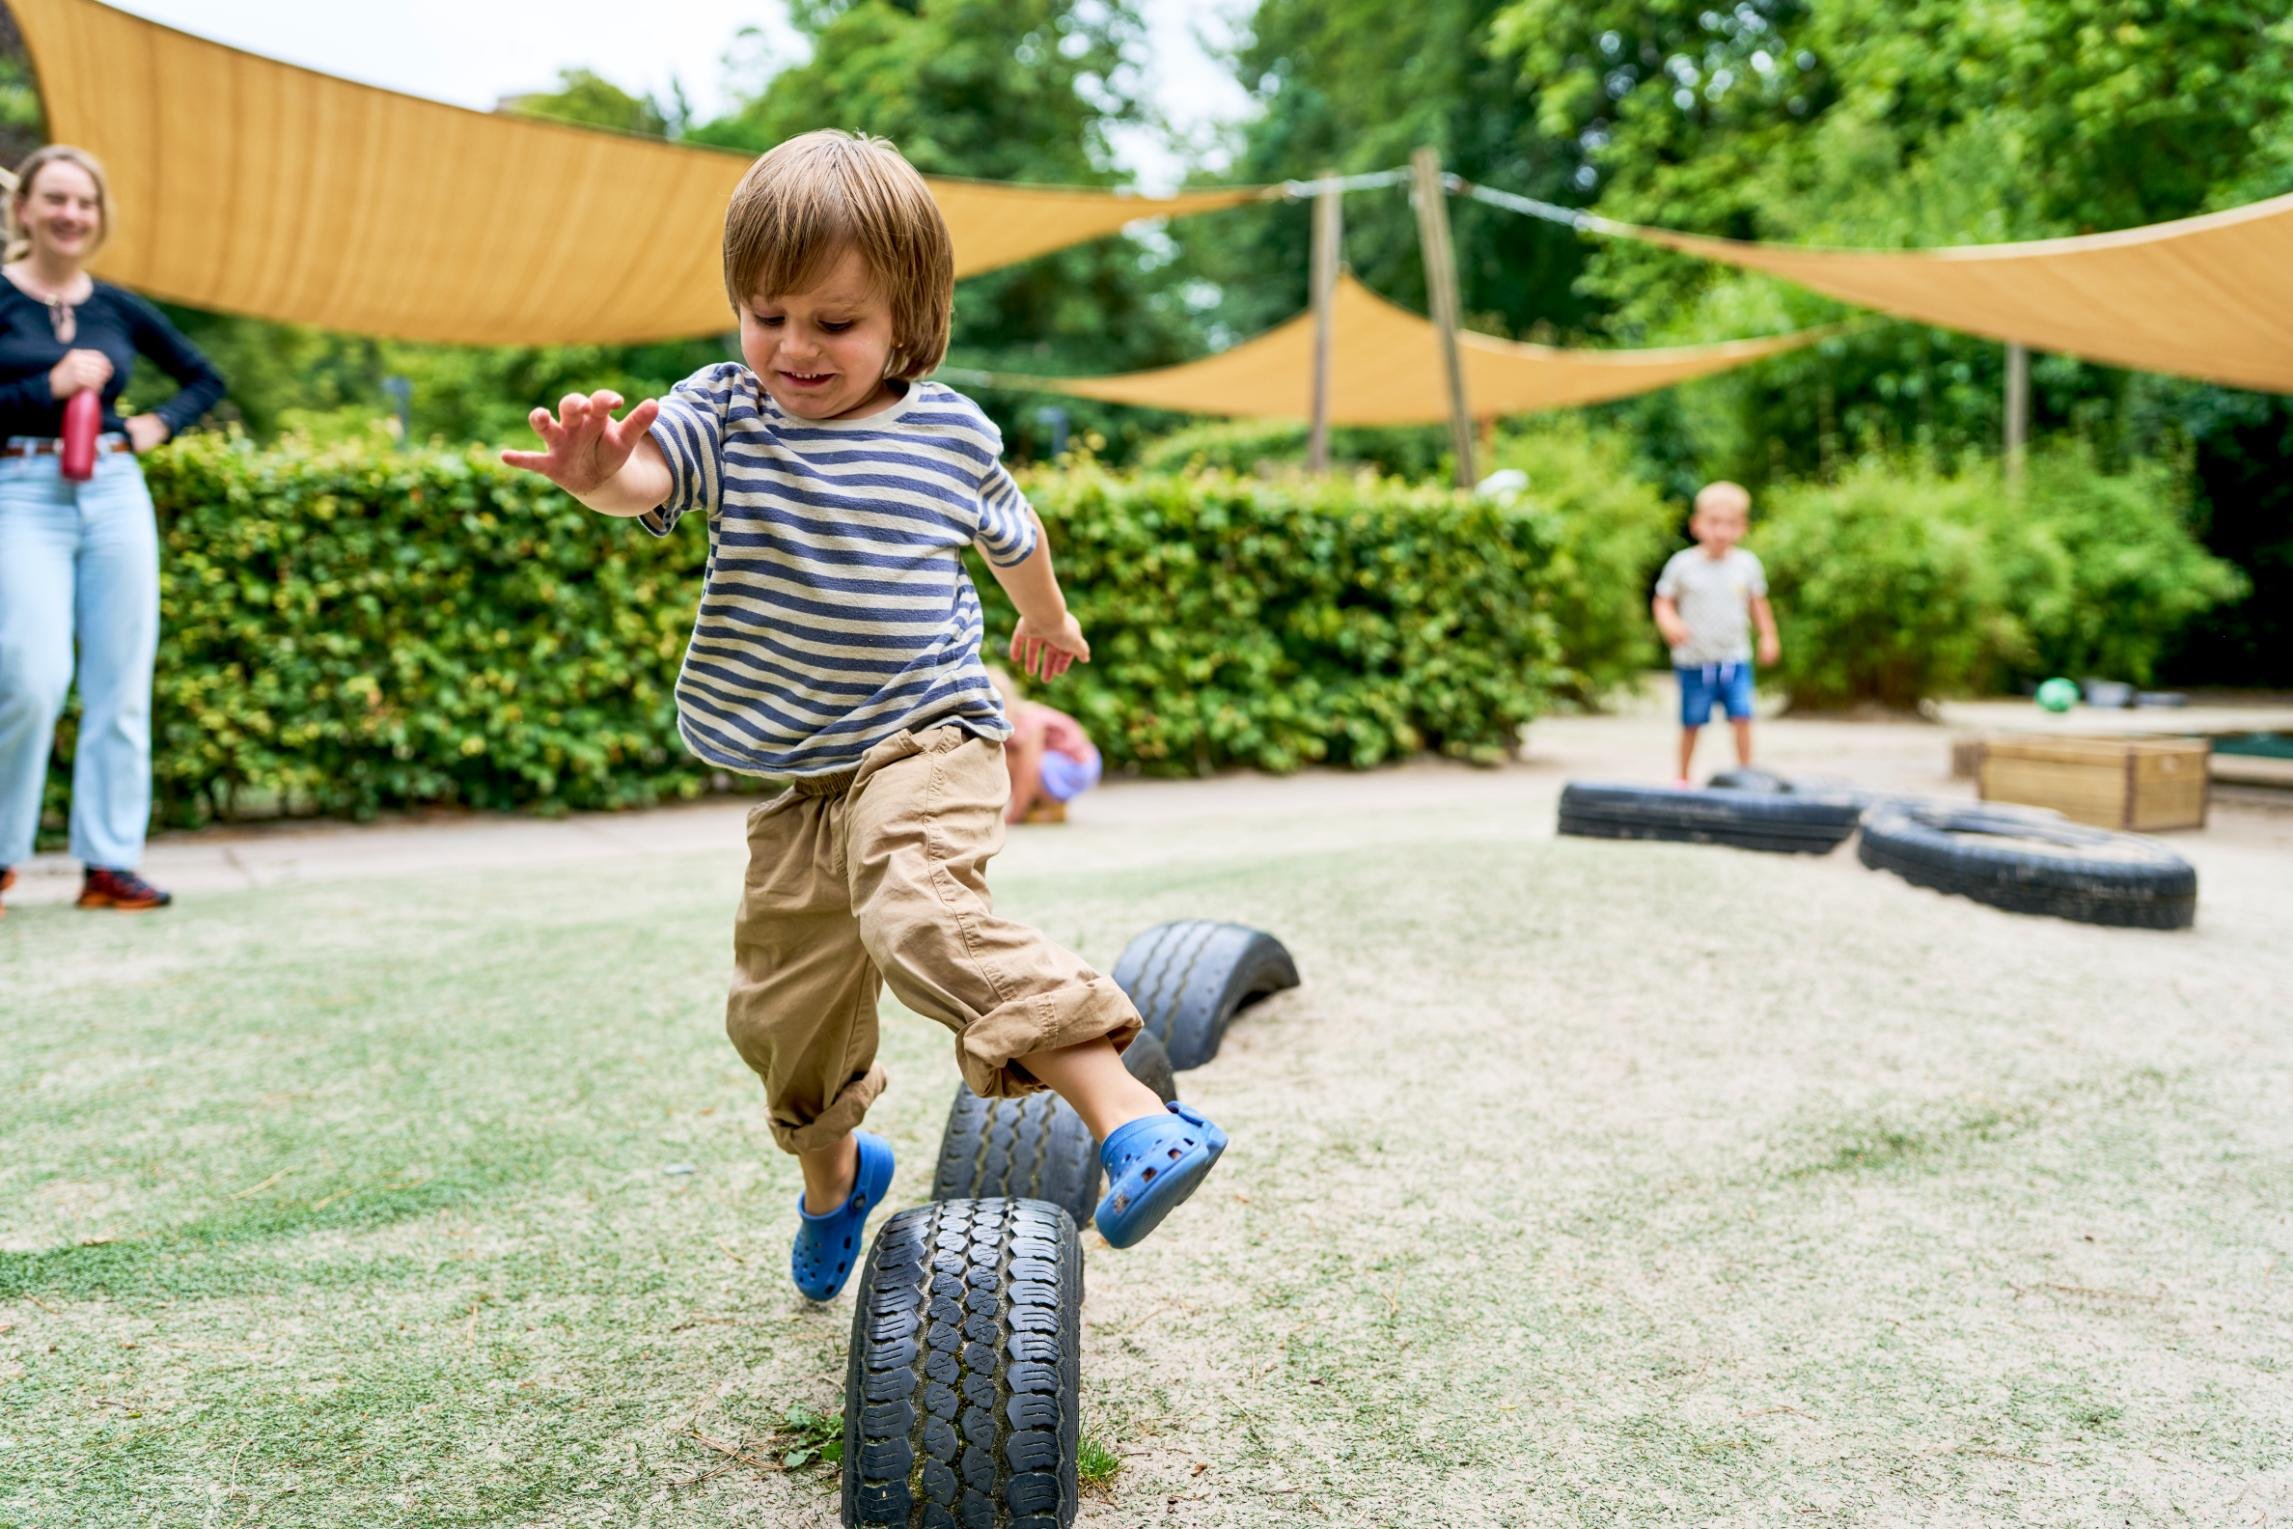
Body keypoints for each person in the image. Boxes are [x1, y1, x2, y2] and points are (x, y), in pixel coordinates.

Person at [502, 131, 1225, 1300]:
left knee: (918, 906)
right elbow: (653, 476)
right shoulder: (727, 411)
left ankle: (1133, 1118)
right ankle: (838, 1178)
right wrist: (598, 477)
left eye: (833, 323)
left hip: (929, 734)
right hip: (801, 779)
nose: (793, 347)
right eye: (766, 311)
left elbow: (1013, 530)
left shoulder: (950, 433)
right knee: (783, 1018)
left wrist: (1044, 618)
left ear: (908, 322)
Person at [0, 146, 225, 921]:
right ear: (24, 208)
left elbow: (206, 377)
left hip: (115, 492)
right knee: (28, 676)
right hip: (19, 490)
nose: (71, 214)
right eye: (55, 198)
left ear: (99, 217)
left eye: (85, 202)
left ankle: (108, 864)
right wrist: (45, 386)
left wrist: (158, 425)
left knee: (122, 683)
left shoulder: (119, 306)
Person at [1651, 480, 1781, 783]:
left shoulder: (1747, 565)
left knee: (1742, 716)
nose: (1721, 531)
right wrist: (1669, 622)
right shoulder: (1683, 565)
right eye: (1714, 522)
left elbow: (1758, 604)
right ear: (1696, 525)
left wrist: (1769, 635)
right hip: (1694, 660)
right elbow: (1663, 602)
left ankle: (1747, 776)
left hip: (1734, 658)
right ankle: (1682, 779)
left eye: (1731, 524)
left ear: (1743, 527)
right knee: (1692, 722)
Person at [986, 666, 1102, 825]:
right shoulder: (1016, 721)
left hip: (1079, 765)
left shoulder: (1028, 720)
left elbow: (1028, 770)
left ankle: (1048, 805)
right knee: (1005, 758)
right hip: (1067, 761)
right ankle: (1043, 805)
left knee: (1015, 762)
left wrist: (1013, 816)